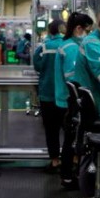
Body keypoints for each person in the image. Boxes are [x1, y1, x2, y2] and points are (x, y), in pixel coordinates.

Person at [54, 11, 94, 188]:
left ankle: (69, 175)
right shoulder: (71, 48)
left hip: (67, 99)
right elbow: (73, 78)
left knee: (70, 139)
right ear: (79, 29)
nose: (89, 34)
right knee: (71, 140)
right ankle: (68, 177)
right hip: (70, 100)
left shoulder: (71, 44)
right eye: (88, 30)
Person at [33, 19, 66, 172]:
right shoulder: (69, 46)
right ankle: (71, 160)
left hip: (47, 93)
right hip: (66, 95)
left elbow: (37, 66)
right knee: (69, 129)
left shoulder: (43, 47)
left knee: (51, 129)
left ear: (50, 31)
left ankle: (54, 161)